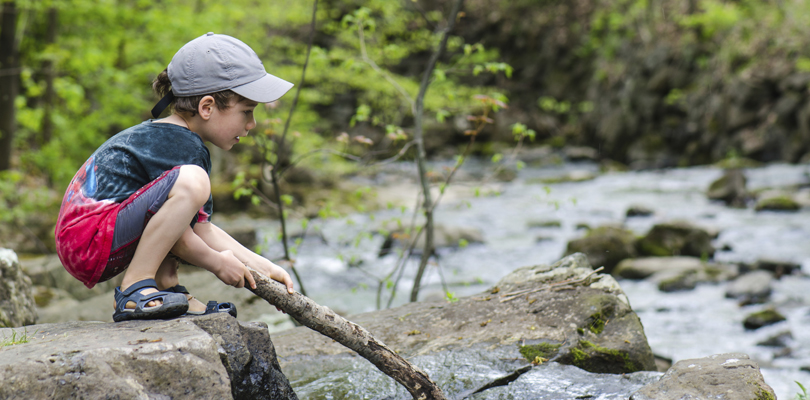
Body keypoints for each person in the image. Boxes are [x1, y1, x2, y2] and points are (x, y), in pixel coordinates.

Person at [54, 32, 295, 322]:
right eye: (246, 112)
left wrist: (261, 265)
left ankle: (167, 285)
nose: (252, 124)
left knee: (185, 198)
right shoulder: (179, 145)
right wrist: (218, 264)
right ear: (207, 108)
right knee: (193, 182)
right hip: (88, 239)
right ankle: (135, 288)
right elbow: (184, 238)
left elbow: (199, 228)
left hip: (88, 239)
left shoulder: (177, 140)